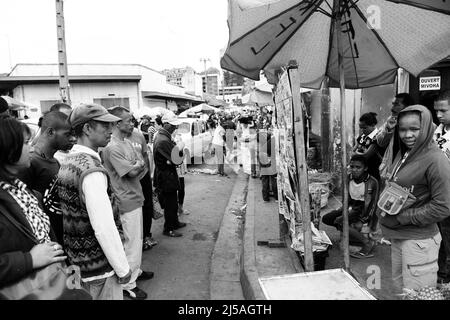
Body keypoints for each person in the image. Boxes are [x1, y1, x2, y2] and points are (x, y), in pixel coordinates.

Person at [57, 103, 131, 300]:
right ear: (87, 129)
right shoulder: (91, 170)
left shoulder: (69, 162)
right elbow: (104, 227)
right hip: (98, 268)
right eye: (104, 126)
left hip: (79, 263)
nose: (110, 130)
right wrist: (123, 268)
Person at [379, 105, 450, 291]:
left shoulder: (436, 160)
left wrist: (403, 217)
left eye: (414, 129)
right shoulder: (407, 154)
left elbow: (443, 206)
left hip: (419, 241)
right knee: (401, 289)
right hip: (399, 235)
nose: (407, 135)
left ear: (426, 128)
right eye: (402, 129)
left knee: (416, 293)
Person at [0, 116, 67, 290]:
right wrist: (28, 260)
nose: (32, 148)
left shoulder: (23, 191)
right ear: (7, 149)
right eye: (26, 143)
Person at [102, 106, 153, 300]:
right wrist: (137, 166)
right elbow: (133, 171)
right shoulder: (112, 147)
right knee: (131, 243)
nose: (133, 123)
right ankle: (128, 284)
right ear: (117, 123)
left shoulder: (127, 143)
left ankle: (135, 271)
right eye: (129, 120)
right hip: (125, 199)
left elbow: (141, 167)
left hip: (135, 195)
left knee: (136, 241)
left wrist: (136, 166)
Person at [18, 111, 75, 243]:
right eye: (67, 134)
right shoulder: (29, 162)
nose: (73, 139)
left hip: (60, 236)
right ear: (50, 132)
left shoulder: (55, 161)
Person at [322, 154, 379, 258]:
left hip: (363, 210)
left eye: (358, 167)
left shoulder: (372, 182)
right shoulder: (348, 178)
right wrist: (345, 209)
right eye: (352, 167)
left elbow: (373, 205)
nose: (354, 170)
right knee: (326, 218)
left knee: (340, 221)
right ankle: (349, 232)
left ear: (365, 168)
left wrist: (362, 220)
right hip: (351, 206)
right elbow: (345, 198)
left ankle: (367, 243)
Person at [125, 115, 158, 251]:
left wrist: (150, 175)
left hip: (143, 176)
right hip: (128, 179)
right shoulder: (115, 141)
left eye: (132, 121)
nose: (132, 124)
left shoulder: (138, 135)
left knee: (147, 206)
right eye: (128, 121)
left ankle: (146, 235)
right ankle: (134, 241)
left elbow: (145, 155)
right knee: (132, 211)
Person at [153, 111, 187, 237]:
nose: (175, 127)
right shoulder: (163, 139)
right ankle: (169, 228)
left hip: (168, 172)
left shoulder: (165, 136)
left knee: (172, 201)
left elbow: (173, 159)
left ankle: (175, 223)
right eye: (173, 125)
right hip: (166, 175)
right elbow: (177, 159)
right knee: (170, 203)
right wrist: (180, 148)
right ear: (165, 124)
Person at [433, 90, 450, 285]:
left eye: (443, 110)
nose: (438, 115)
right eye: (436, 110)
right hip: (439, 194)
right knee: (441, 238)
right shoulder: (439, 130)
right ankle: (442, 277)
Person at [354, 112, 382, 181]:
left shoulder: (377, 137)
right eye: (361, 128)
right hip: (363, 171)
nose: (362, 130)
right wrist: (358, 152)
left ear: (373, 125)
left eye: (365, 128)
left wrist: (357, 152)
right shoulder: (363, 136)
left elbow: (366, 155)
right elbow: (353, 150)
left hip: (374, 170)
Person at [258, 128, 278, 202]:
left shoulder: (272, 139)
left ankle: (265, 197)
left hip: (262, 156)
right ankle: (276, 197)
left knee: (265, 178)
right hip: (266, 157)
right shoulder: (276, 140)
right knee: (273, 177)